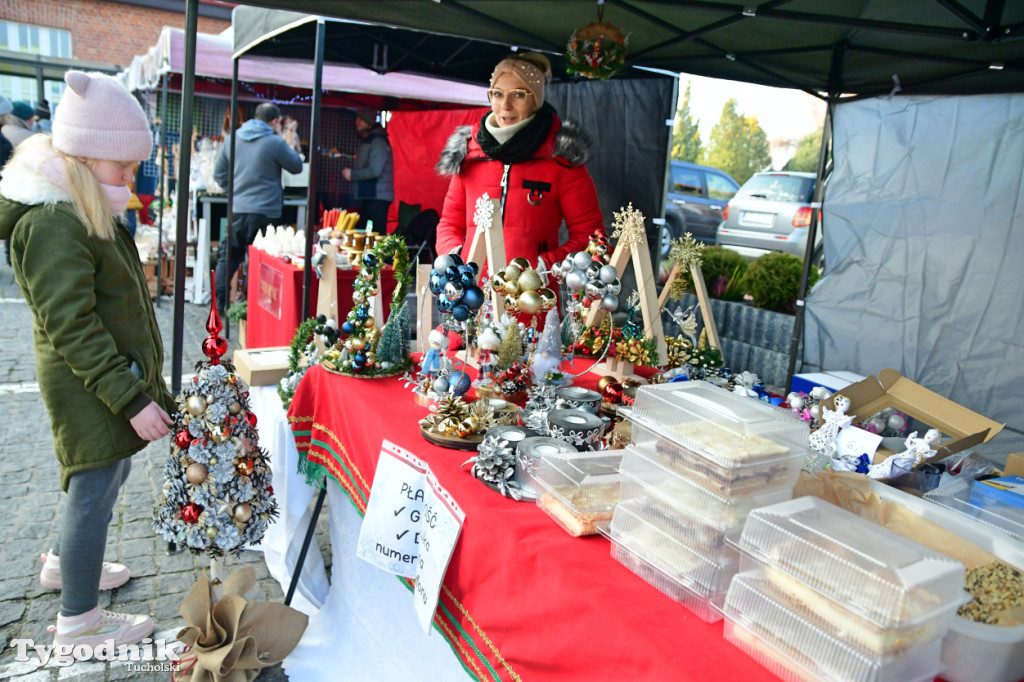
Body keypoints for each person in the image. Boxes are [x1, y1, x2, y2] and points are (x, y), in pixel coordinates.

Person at [0, 71, 175, 652]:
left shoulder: (80, 205)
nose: (129, 179)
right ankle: (80, 622)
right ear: (84, 155)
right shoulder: (53, 223)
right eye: (121, 168)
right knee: (93, 483)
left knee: (106, 474)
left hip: (102, 379)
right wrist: (127, 395)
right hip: (90, 385)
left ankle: (64, 566)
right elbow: (71, 324)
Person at [435, 53, 604, 271]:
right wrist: (455, 257)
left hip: (532, 296)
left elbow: (590, 235)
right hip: (472, 293)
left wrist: (544, 267)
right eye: (497, 94)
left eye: (518, 95)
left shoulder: (561, 159)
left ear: (535, 99)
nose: (505, 105)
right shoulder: (470, 154)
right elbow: (449, 224)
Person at [213, 102, 303, 311]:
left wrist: (234, 191)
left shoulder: (233, 138)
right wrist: (280, 136)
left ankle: (219, 302)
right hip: (266, 211)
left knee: (228, 258)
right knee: (260, 260)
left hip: (238, 209)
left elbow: (218, 174)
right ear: (274, 121)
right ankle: (255, 306)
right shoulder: (275, 142)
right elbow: (297, 166)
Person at [342, 108, 394, 235]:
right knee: (365, 235)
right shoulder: (370, 139)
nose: (356, 122)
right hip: (369, 195)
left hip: (377, 197)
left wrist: (352, 174)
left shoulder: (378, 142)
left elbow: (375, 170)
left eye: (360, 119)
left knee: (376, 236)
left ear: (369, 122)